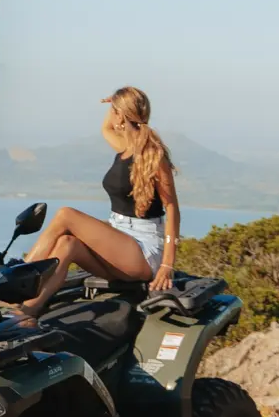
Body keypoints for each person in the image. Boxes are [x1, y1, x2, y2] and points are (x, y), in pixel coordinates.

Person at [16, 87, 180, 320]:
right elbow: (105, 128)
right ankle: (26, 310)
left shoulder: (154, 156)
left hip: (143, 251)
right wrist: (115, 103)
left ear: (120, 115)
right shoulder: (124, 148)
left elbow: (172, 207)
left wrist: (167, 265)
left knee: (66, 214)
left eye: (113, 111)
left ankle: (17, 278)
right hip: (120, 244)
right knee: (67, 244)